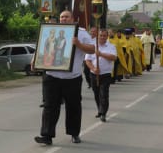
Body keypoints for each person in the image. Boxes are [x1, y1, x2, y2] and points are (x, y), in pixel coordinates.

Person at [34, 10, 95, 145]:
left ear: (73, 19)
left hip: (72, 78)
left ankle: (74, 134)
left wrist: (78, 44)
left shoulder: (81, 33)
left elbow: (92, 49)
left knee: (73, 106)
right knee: (50, 106)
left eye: (66, 17)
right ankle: (47, 136)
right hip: (52, 76)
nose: (63, 19)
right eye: (61, 17)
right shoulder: (51, 30)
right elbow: (43, 47)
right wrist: (35, 61)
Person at [85, 29, 117, 122]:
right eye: (101, 35)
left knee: (104, 94)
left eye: (104, 35)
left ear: (107, 36)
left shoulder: (111, 46)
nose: (102, 37)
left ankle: (103, 113)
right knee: (96, 93)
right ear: (97, 36)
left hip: (106, 74)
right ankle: (99, 109)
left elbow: (114, 57)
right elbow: (87, 60)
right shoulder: (92, 47)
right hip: (94, 74)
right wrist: (93, 69)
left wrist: (101, 54)